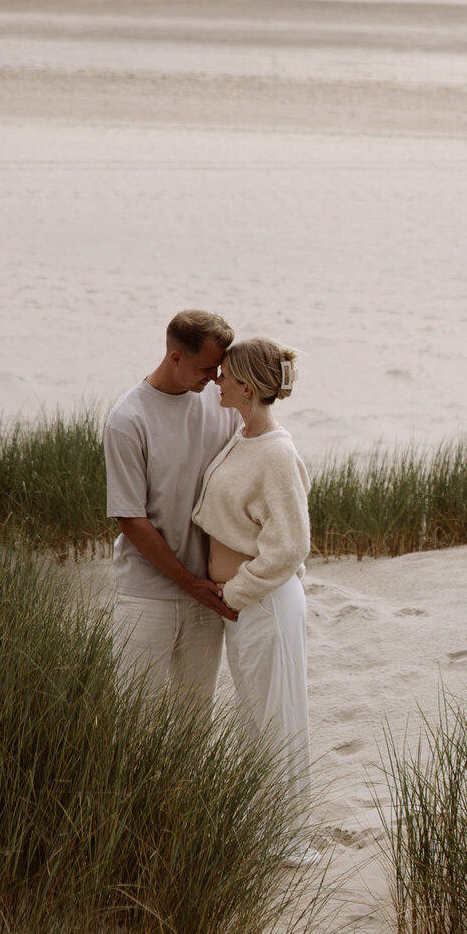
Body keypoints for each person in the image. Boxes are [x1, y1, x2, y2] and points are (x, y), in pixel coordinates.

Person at [193, 336, 315, 854]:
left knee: (275, 717)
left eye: (223, 375)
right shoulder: (243, 437)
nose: (215, 381)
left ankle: (284, 839)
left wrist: (236, 592)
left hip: (262, 601)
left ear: (244, 387)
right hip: (243, 606)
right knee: (255, 714)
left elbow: (290, 545)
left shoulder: (277, 453)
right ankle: (267, 829)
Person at [103, 308, 240, 705]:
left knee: (194, 721)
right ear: (175, 357)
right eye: (207, 369)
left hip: (208, 594)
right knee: (133, 718)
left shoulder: (221, 403)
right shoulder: (128, 419)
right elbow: (130, 519)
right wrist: (186, 581)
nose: (214, 380)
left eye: (220, 371)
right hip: (147, 595)